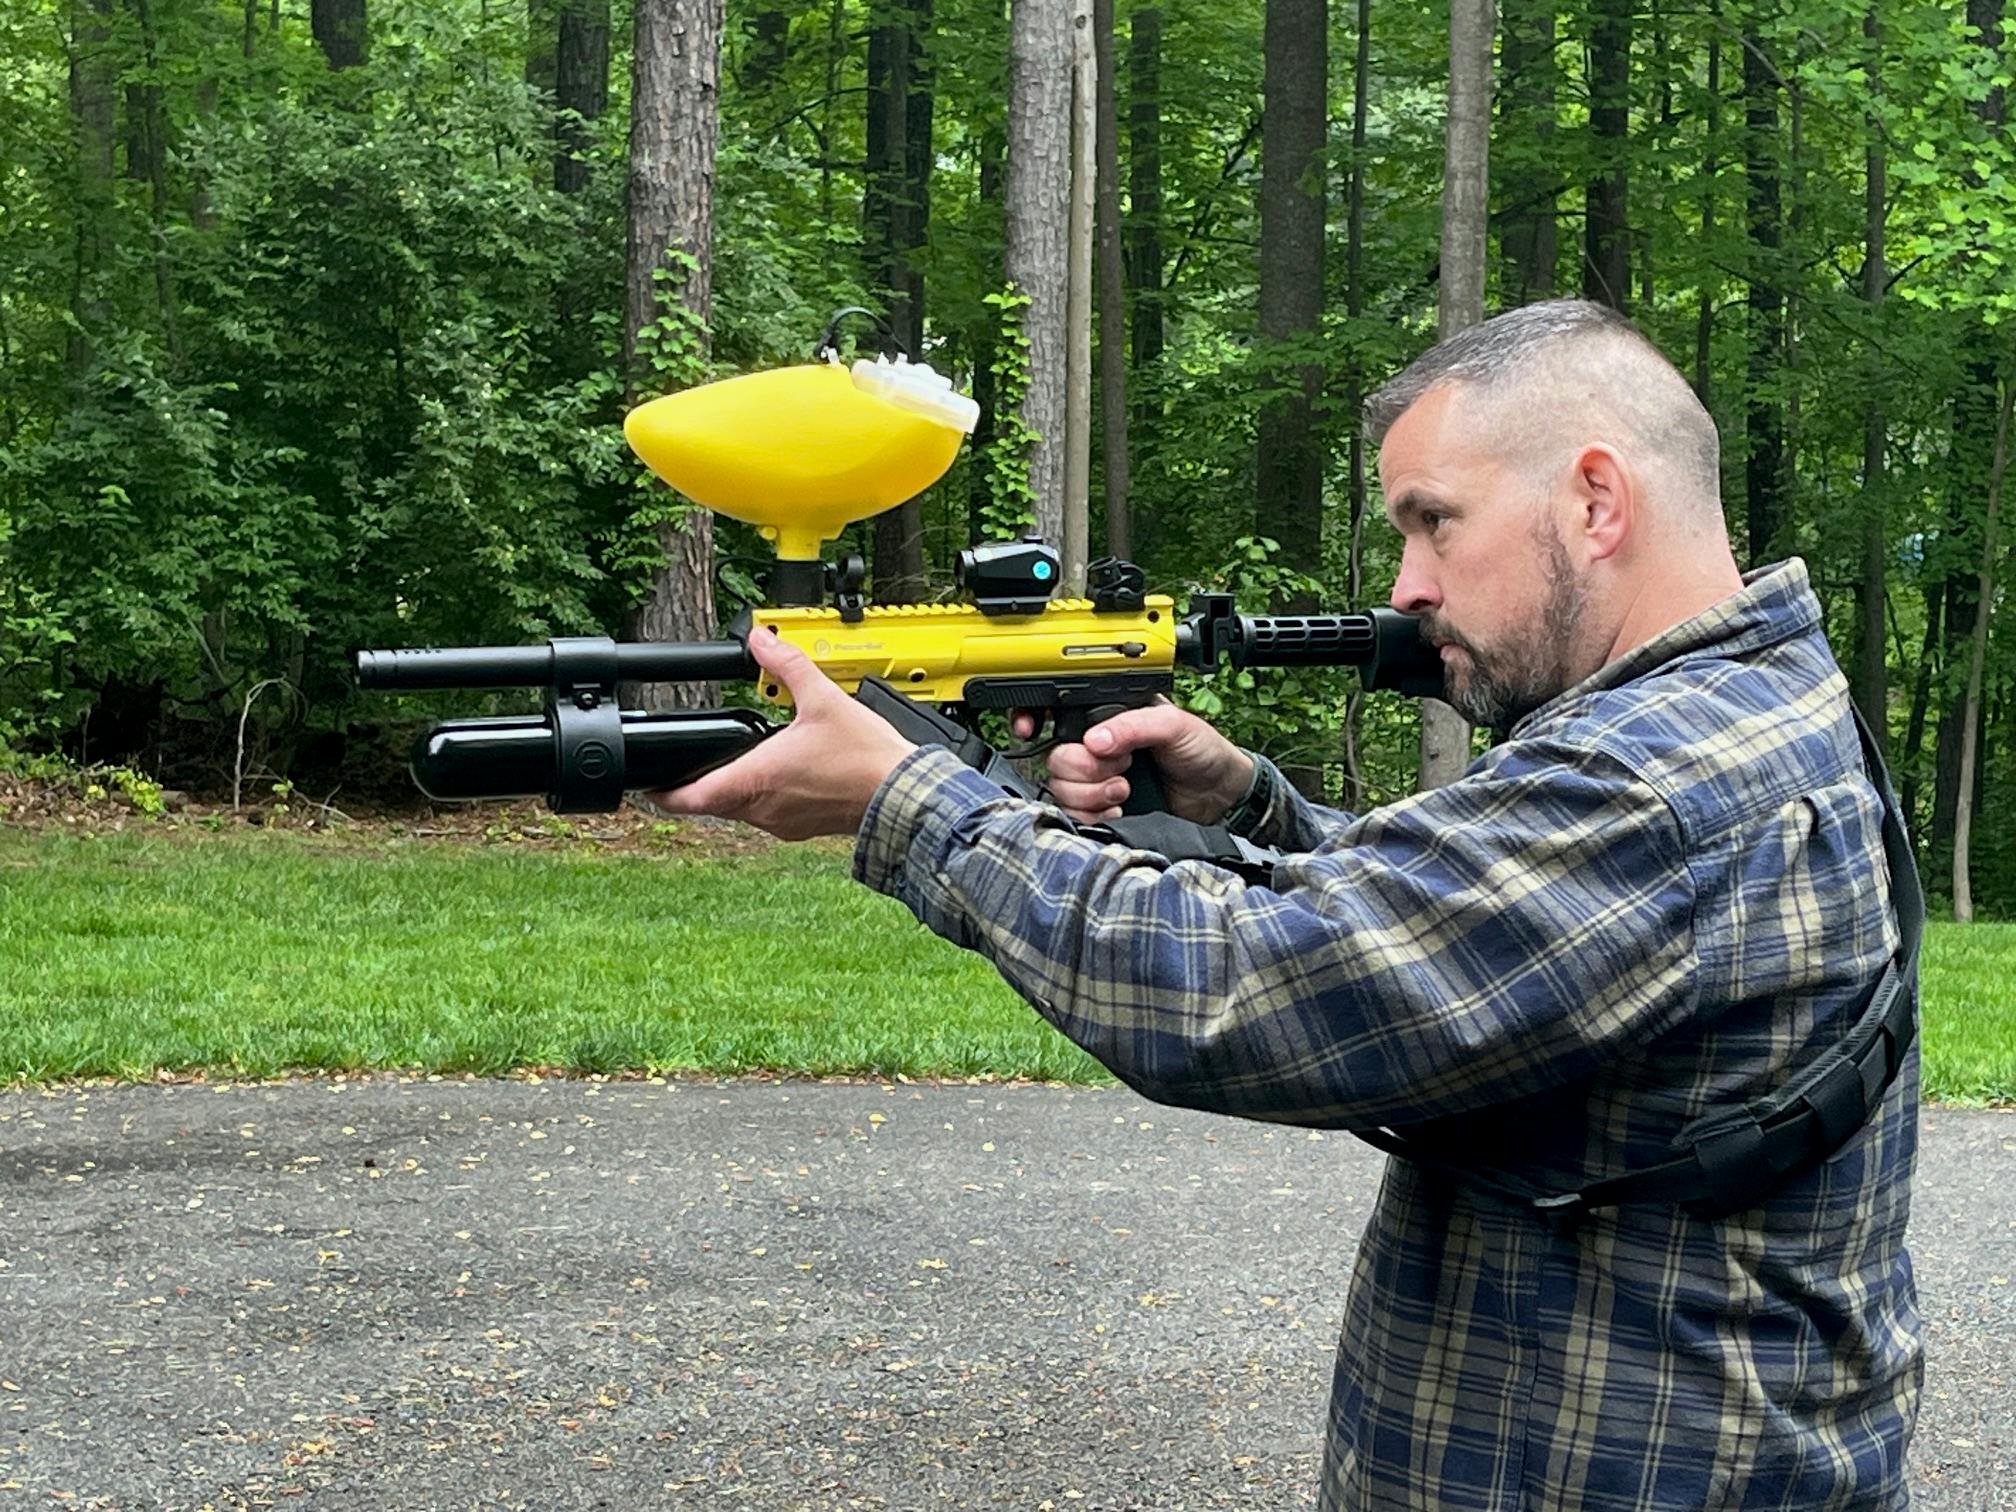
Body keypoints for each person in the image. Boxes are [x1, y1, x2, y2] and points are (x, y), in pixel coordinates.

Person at [648, 299, 1922, 1511]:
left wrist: (908, 804)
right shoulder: (1733, 705)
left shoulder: (1656, 779)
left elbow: (1253, 996)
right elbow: (1495, 933)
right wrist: (1250, 808)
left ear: (1596, 501)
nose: (1410, 585)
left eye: (1434, 522)